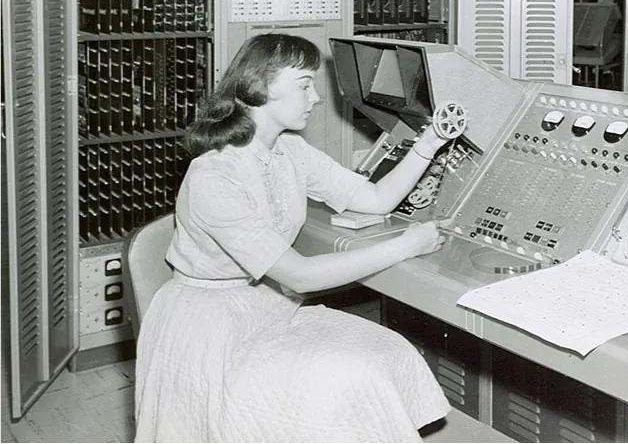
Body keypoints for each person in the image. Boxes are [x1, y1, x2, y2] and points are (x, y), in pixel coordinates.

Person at [134, 33, 453, 442]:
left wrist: (429, 143)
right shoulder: (214, 176)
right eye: (304, 84)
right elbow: (299, 276)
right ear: (261, 87)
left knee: (387, 353)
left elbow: (373, 198)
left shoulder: (289, 150)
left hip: (265, 305)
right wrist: (407, 244)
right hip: (209, 329)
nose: (317, 97)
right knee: (347, 381)